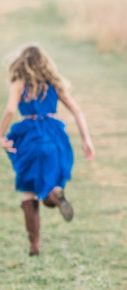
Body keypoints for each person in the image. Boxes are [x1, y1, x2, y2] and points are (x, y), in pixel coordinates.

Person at [0, 44, 95, 255]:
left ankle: (35, 244)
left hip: (30, 138)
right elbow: (77, 111)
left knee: (29, 192)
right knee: (49, 184)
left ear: (21, 63)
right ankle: (55, 194)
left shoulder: (19, 84)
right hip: (55, 137)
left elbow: (9, 110)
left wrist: (1, 134)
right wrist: (86, 140)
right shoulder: (54, 84)